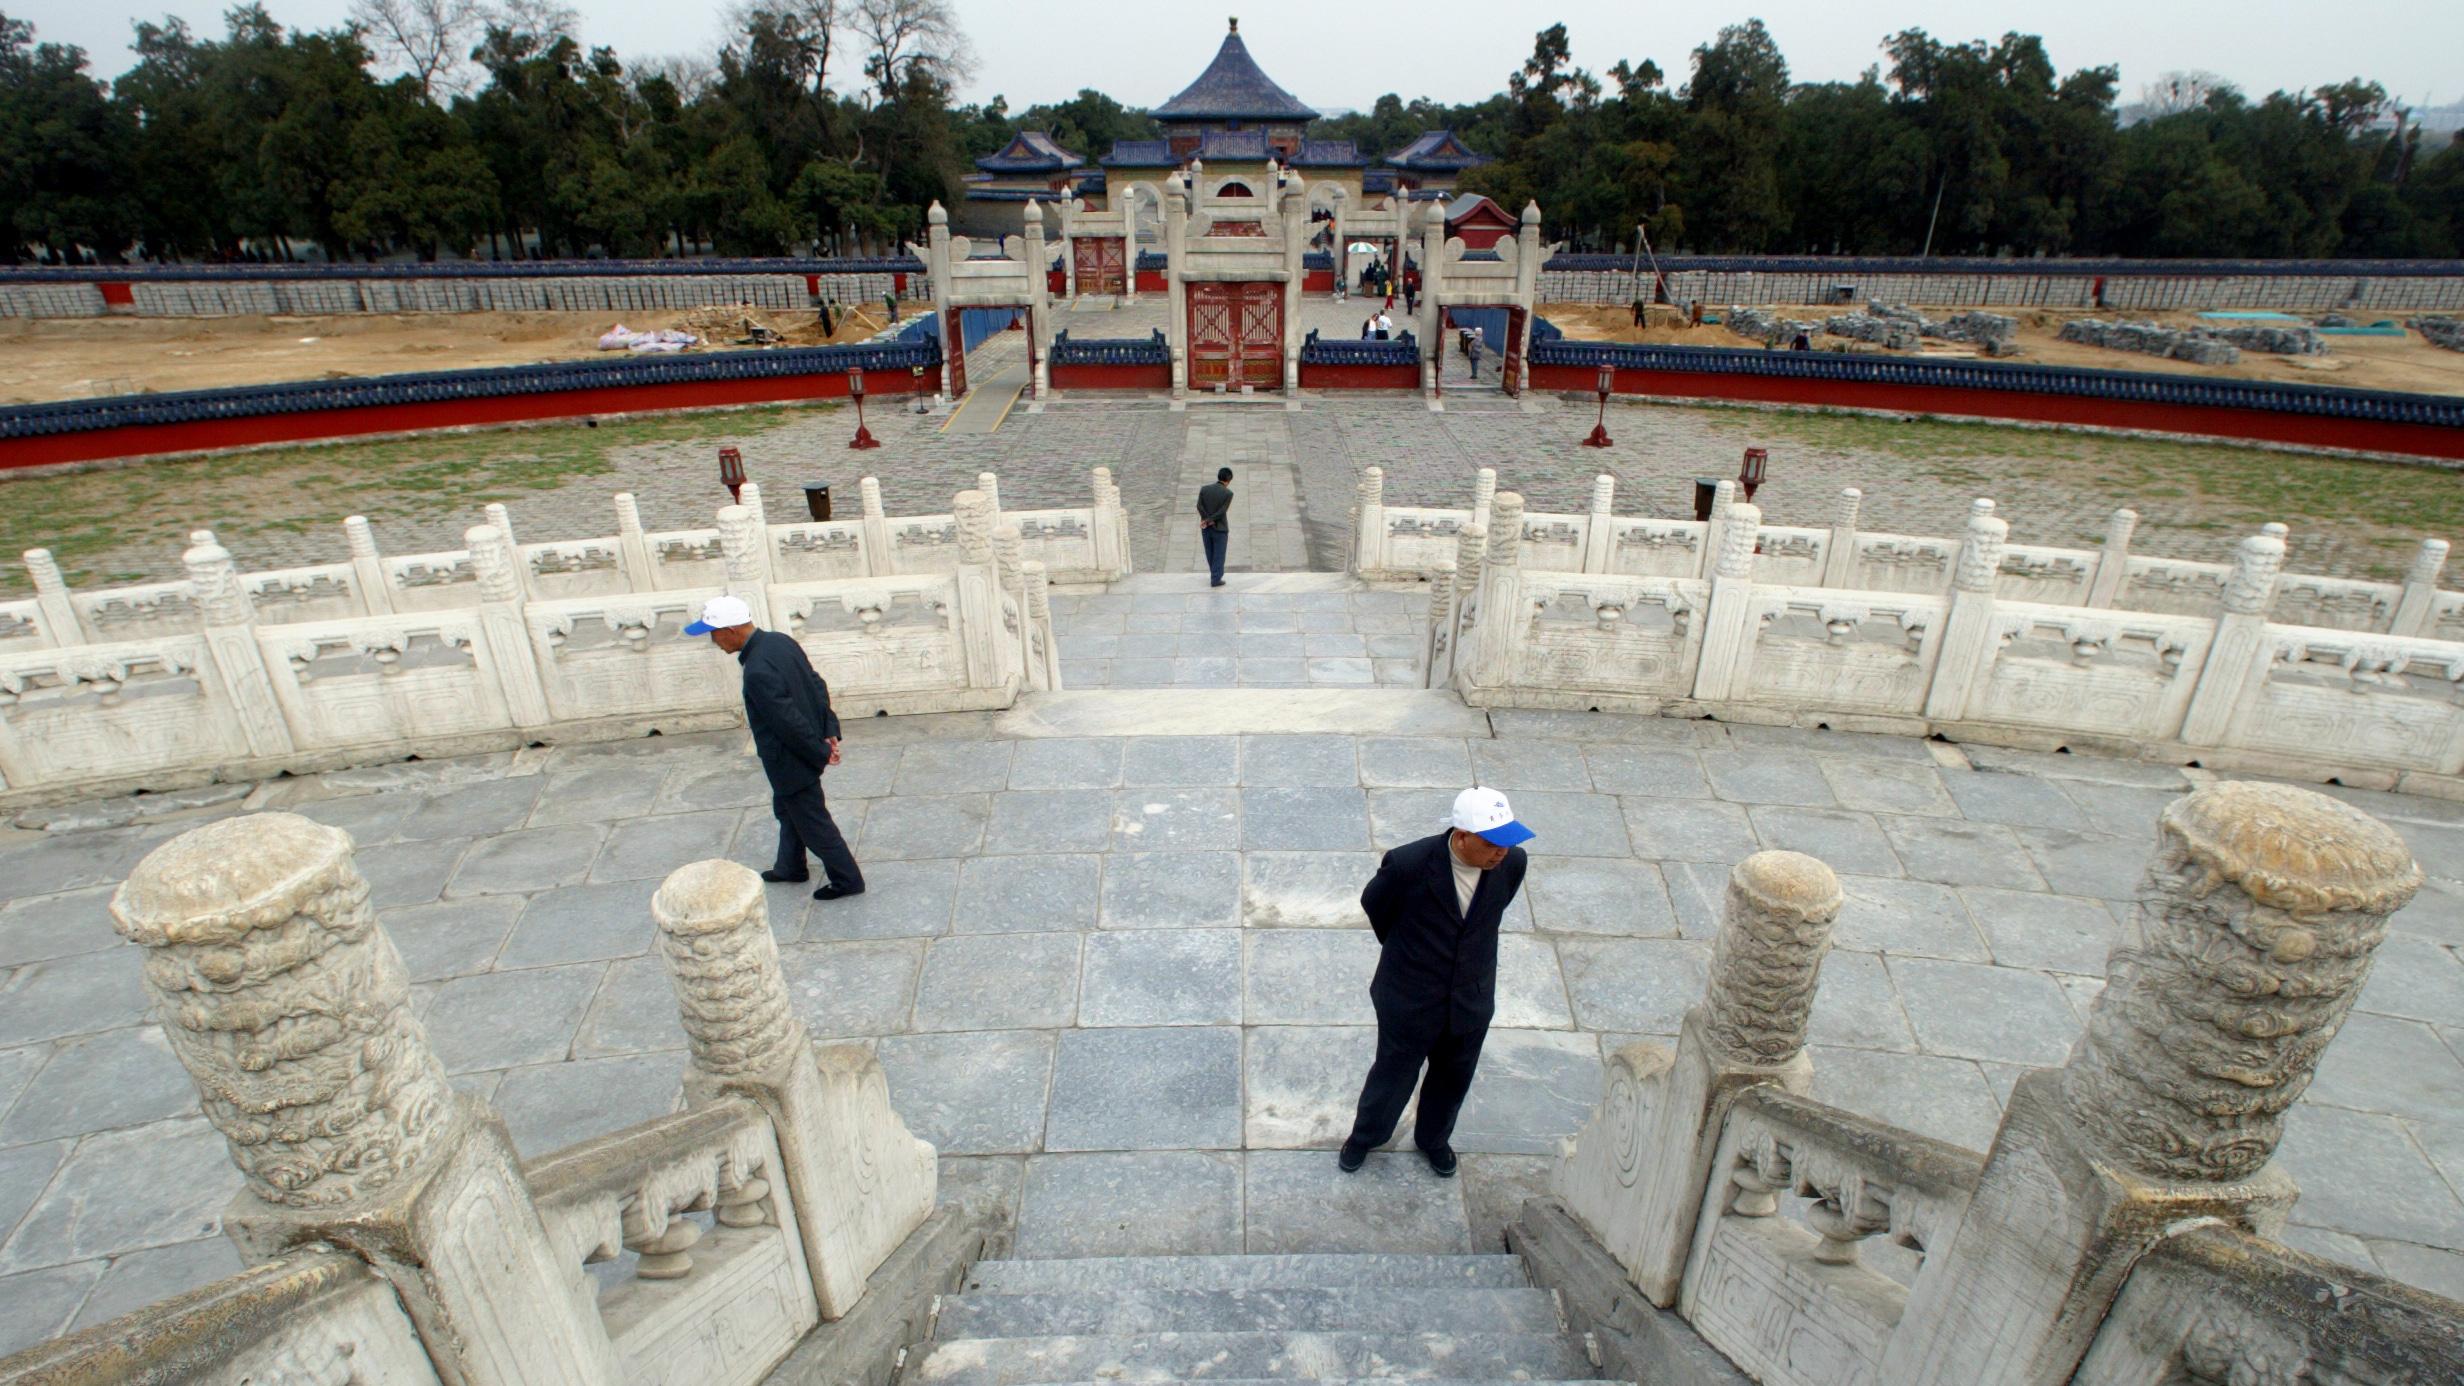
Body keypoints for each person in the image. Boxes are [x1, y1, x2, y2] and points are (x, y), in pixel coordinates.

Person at [1339, 787, 1534, 1177]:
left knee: (1454, 1076)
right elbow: (1376, 905)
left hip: (1471, 1000)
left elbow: (1491, 914)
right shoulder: (1409, 864)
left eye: (1508, 842)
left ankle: (1434, 1139)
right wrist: (1410, 954)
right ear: (1462, 836)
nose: (1502, 852)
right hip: (1409, 999)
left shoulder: (1512, 863)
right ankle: (1366, 1136)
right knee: (1393, 1073)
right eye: (1493, 843)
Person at [686, 595, 865, 900]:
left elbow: (788, 723)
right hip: (806, 749)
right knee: (787, 810)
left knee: (813, 822)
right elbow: (815, 685)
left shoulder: (756, 670)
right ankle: (790, 867)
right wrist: (828, 731)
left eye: (713, 633)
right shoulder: (780, 642)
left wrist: (822, 750)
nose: (713, 641)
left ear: (730, 630)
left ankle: (847, 879)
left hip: (791, 760)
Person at [1196, 466, 1234, 587]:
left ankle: (1214, 574)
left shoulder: (1204, 489)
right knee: (1219, 553)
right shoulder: (1228, 493)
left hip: (1206, 527)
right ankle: (1216, 578)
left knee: (1210, 552)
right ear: (1228, 480)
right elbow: (1223, 511)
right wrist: (1211, 520)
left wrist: (1206, 519)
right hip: (1220, 528)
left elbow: (1199, 506)